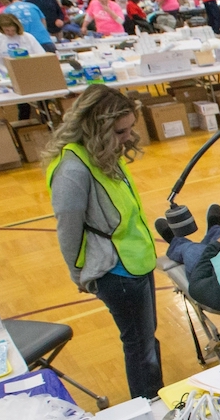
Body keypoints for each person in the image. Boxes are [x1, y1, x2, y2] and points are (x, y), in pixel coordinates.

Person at [44, 86, 162, 400]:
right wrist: (79, 274)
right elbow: (67, 230)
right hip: (115, 271)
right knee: (140, 346)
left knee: (146, 340)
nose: (128, 137)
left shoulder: (102, 153)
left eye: (129, 129)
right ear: (97, 127)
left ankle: (154, 396)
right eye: (120, 131)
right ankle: (149, 405)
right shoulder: (72, 170)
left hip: (135, 260)